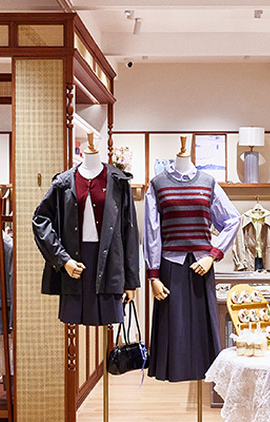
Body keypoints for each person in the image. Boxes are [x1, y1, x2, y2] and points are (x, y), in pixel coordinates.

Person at [144, 140, 240, 382]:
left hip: (202, 267)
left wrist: (213, 255)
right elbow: (151, 232)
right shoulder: (157, 184)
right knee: (173, 328)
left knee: (202, 328)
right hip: (169, 268)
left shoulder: (208, 182)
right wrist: (153, 275)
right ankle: (173, 371)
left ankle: (206, 374)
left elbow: (232, 220)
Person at [32, 134, 140, 325]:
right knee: (73, 319)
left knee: (109, 320)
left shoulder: (118, 181)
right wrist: (63, 260)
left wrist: (131, 281)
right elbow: (40, 220)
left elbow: (129, 232)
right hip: (75, 263)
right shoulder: (64, 182)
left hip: (110, 265)